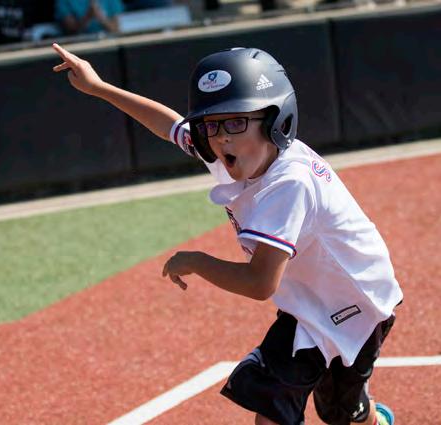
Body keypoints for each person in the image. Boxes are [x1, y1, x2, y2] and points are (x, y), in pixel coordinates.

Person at [51, 43, 403, 425]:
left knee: (341, 415)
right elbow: (169, 125)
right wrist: (98, 87)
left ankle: (366, 415)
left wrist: (196, 261)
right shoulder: (232, 152)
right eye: (211, 125)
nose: (221, 138)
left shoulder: (289, 184)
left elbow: (260, 283)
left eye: (235, 122)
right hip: (305, 304)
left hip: (358, 302)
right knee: (271, 404)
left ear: (275, 121)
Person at [55, 0, 123, 35]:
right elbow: (71, 32)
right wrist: (88, 16)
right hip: (79, 46)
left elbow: (115, 29)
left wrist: (102, 19)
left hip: (108, 43)